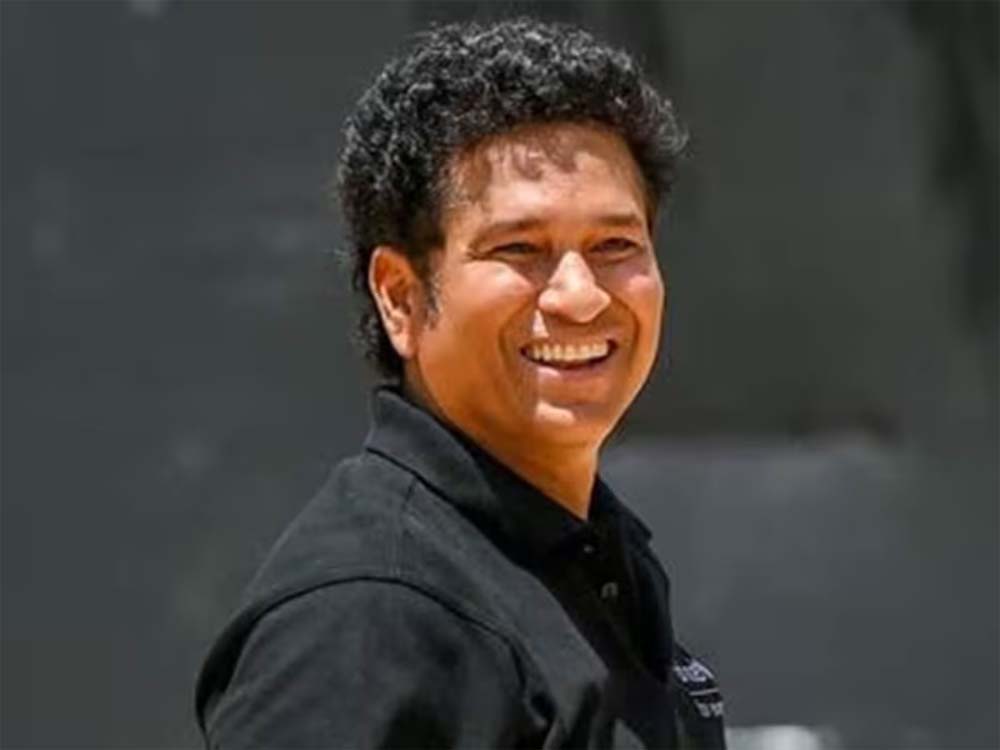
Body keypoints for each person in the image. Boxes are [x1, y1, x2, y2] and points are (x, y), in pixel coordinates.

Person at [195, 17, 725, 749]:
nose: (580, 295)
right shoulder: (366, 618)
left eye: (615, 244)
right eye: (520, 248)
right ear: (401, 297)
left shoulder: (597, 561)